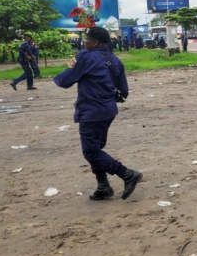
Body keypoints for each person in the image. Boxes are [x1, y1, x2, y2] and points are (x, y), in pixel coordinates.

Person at [53, 27, 143, 201]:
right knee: (96, 149)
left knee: (91, 152)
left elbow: (64, 81)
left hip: (91, 111)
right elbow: (124, 91)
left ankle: (127, 174)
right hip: (108, 111)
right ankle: (103, 186)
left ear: (94, 42)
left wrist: (61, 74)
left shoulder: (84, 57)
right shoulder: (115, 60)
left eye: (87, 40)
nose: (84, 43)